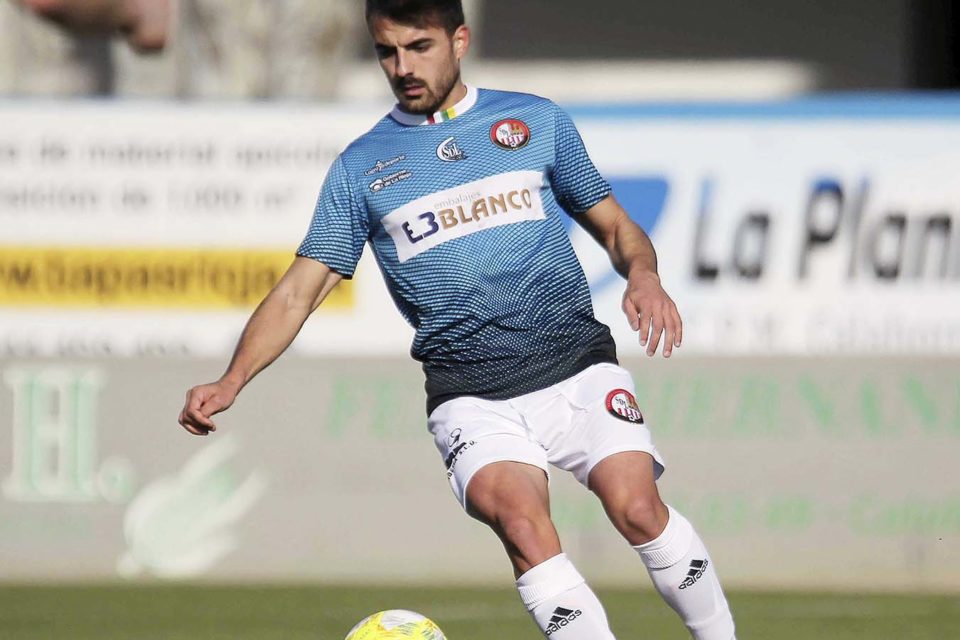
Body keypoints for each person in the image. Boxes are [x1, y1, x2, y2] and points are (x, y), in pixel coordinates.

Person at [178, 1, 736, 638]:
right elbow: (296, 294)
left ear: (459, 39)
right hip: (471, 393)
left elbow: (614, 225)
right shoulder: (362, 167)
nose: (402, 67)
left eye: (419, 47)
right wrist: (231, 380)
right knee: (526, 528)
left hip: (574, 363)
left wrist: (644, 275)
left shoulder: (534, 121)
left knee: (637, 508)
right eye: (387, 51)